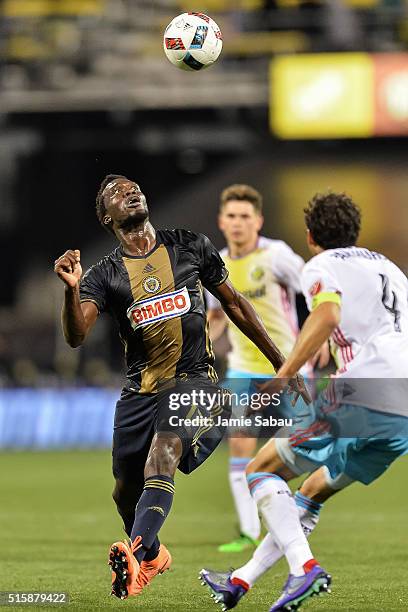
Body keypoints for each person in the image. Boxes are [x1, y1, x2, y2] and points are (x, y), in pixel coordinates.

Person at [53, 174, 309, 601]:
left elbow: (235, 304)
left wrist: (283, 362)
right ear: (105, 217)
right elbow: (77, 335)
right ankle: (151, 554)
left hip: (197, 383)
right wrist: (72, 290)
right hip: (140, 392)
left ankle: (134, 553)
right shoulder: (105, 274)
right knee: (124, 489)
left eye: (133, 186)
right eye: (116, 193)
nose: (129, 192)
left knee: (164, 451)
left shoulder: (189, 245)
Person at [200, 191, 408, 611]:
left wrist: (284, 374)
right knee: (310, 491)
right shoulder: (390, 268)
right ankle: (241, 580)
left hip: (363, 390)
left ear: (311, 236)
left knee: (260, 470)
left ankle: (305, 568)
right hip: (403, 406)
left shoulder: (321, 265)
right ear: (356, 232)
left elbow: (327, 314)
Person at [206, 183, 326, 553]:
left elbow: (317, 291)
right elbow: (216, 317)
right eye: (232, 216)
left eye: (245, 216)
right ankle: (248, 530)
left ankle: (289, 517)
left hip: (288, 367)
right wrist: (200, 351)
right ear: (221, 222)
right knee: (240, 444)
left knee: (302, 446)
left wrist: (321, 339)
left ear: (258, 220)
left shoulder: (278, 256)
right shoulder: (216, 266)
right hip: (243, 370)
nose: (238, 223)